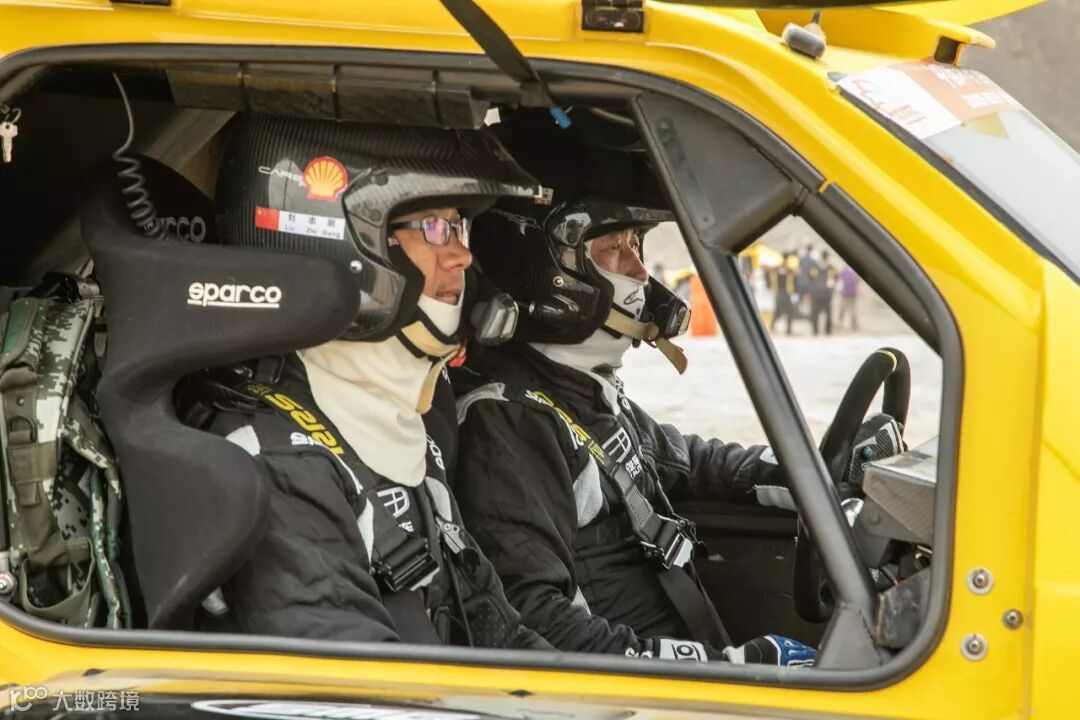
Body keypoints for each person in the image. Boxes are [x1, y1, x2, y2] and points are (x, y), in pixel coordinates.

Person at [178, 114, 551, 650]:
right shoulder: (276, 464)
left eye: (457, 226)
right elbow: (358, 686)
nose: (463, 255)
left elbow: (498, 630)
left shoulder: (399, 428)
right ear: (346, 243)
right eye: (433, 227)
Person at [452, 196, 817, 666]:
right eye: (613, 249)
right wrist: (720, 669)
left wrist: (804, 469)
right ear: (546, 271)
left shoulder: (580, 388)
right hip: (627, 687)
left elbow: (682, 460)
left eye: (635, 246)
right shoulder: (508, 422)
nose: (641, 273)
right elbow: (535, 619)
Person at [809, 249, 837, 336]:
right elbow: (834, 279)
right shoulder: (830, 267)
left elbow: (811, 278)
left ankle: (816, 330)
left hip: (818, 293)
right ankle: (826, 330)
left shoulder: (815, 266)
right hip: (825, 293)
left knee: (816, 312)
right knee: (826, 312)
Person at [769, 252, 798, 335]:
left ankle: (786, 329)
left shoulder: (783, 269)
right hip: (784, 292)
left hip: (783, 292)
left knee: (783, 311)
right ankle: (776, 327)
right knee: (783, 311)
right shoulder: (787, 269)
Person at [837, 264, 860, 331]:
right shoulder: (855, 271)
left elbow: (838, 277)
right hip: (853, 293)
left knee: (842, 309)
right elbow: (857, 281)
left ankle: (840, 323)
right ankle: (854, 324)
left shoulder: (845, 270)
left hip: (845, 293)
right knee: (853, 309)